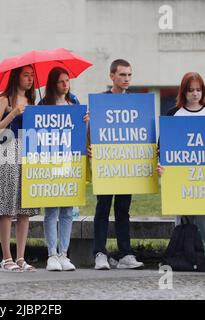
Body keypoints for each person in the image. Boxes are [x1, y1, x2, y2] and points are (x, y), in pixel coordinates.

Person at [156, 72, 205, 272]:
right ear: (184, 92)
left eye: (198, 90)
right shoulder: (173, 114)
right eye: (190, 90)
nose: (195, 94)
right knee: (182, 216)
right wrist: (161, 165)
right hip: (180, 174)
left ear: (203, 91)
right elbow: (162, 147)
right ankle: (184, 254)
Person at [88, 59, 144, 270]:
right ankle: (100, 253)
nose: (127, 79)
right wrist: (89, 143)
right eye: (122, 75)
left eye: (129, 75)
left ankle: (125, 254)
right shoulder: (101, 101)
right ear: (112, 76)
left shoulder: (136, 103)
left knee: (123, 209)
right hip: (106, 163)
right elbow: (92, 131)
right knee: (103, 207)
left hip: (126, 163)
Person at [0, 65, 40, 272]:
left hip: (28, 152)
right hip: (8, 150)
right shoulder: (5, 100)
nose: (30, 79)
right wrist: (12, 115)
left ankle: (21, 257)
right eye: (26, 75)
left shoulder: (32, 102)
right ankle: (6, 257)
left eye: (32, 76)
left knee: (24, 207)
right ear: (16, 77)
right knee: (7, 205)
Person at [38, 67, 89, 271]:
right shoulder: (43, 104)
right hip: (51, 161)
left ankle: (64, 254)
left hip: (72, 161)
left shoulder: (74, 102)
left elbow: (79, 133)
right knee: (52, 210)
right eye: (61, 81)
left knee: (68, 210)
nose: (65, 84)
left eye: (67, 80)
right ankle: (51, 254)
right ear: (53, 84)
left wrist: (85, 122)